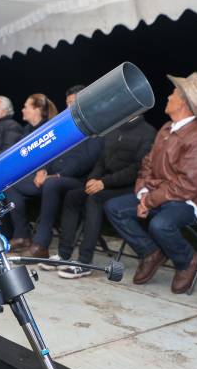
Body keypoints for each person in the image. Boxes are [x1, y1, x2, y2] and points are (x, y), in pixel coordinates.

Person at [104, 72, 197, 293]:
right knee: (114, 208)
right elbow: (147, 163)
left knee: (160, 224)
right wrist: (143, 193)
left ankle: (186, 260)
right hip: (161, 195)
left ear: (183, 103)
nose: (168, 97)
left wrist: (149, 201)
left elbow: (187, 186)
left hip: (189, 201)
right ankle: (150, 252)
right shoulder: (167, 129)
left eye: (173, 94)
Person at [52, 114, 156, 279]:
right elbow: (101, 160)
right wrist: (93, 178)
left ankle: (85, 262)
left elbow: (137, 169)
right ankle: (64, 255)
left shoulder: (148, 132)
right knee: (73, 197)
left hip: (128, 187)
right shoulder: (114, 129)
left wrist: (104, 183)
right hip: (104, 183)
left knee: (95, 198)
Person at [6, 88, 102, 258]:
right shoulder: (65, 127)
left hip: (77, 181)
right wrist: (43, 171)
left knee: (51, 184)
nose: (68, 108)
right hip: (53, 177)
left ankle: (41, 244)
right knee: (11, 185)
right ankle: (22, 235)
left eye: (72, 103)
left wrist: (59, 174)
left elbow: (88, 159)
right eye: (67, 104)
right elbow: (52, 153)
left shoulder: (94, 127)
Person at [6, 93, 58, 250]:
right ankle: (11, 233)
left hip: (47, 178)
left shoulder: (50, 128)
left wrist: (44, 170)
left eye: (26, 106)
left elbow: (57, 153)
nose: (22, 110)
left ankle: (22, 234)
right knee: (6, 184)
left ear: (37, 109)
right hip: (27, 177)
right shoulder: (26, 130)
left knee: (10, 186)